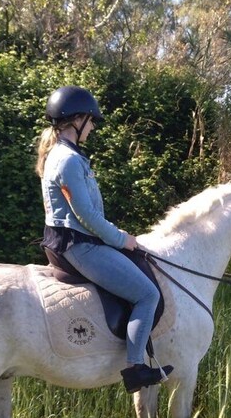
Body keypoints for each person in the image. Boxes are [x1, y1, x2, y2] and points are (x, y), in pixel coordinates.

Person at [35, 85, 173, 393]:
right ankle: (136, 368)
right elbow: (86, 216)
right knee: (147, 295)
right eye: (91, 121)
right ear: (77, 120)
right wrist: (122, 239)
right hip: (80, 245)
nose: (94, 127)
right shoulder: (68, 161)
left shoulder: (65, 155)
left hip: (74, 240)